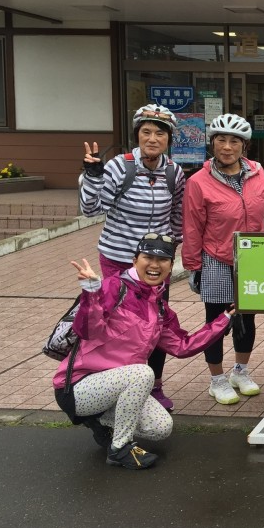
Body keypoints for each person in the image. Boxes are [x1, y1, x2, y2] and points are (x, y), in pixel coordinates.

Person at [54, 234, 233, 470]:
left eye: (163, 260)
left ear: (171, 266)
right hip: (78, 386)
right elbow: (87, 330)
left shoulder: (159, 306)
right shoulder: (113, 287)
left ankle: (100, 422)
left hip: (117, 387)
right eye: (148, 257)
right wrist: (91, 294)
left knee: (161, 428)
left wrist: (224, 320)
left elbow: (182, 346)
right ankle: (119, 448)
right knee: (143, 373)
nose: (155, 265)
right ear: (134, 260)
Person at [80, 104, 185, 411]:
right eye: (146, 132)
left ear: (169, 139)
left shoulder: (173, 172)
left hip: (155, 265)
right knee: (115, 325)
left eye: (160, 133)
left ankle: (153, 385)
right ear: (137, 135)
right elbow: (91, 209)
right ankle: (111, 385)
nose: (153, 138)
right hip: (119, 260)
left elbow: (177, 215)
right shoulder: (118, 167)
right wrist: (93, 174)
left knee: (155, 325)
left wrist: (170, 253)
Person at [183, 113, 264, 405]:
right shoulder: (198, 181)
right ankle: (217, 379)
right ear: (212, 143)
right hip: (216, 259)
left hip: (252, 258)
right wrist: (193, 266)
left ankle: (240, 371)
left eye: (235, 141)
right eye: (221, 139)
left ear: (244, 146)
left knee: (247, 318)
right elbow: (192, 226)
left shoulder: (258, 173)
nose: (227, 146)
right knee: (217, 321)